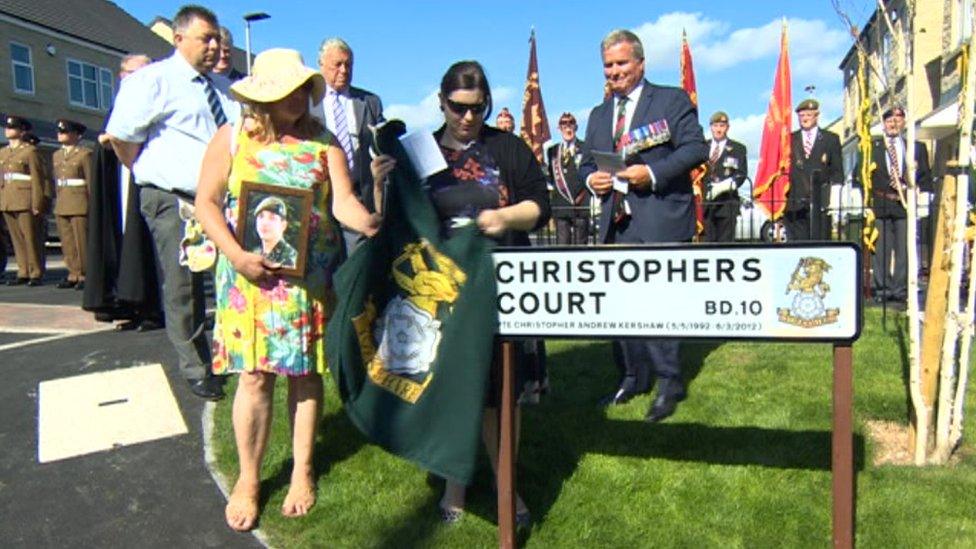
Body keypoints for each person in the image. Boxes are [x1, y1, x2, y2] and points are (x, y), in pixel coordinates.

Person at [195, 47, 381, 532]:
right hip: (247, 279)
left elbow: (342, 203)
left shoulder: (325, 142)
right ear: (265, 95)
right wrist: (237, 256)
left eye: (303, 88)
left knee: (303, 376)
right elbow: (207, 205)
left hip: (306, 284)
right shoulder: (232, 138)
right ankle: (250, 479)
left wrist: (370, 221)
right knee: (254, 378)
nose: (299, 96)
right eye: (289, 89)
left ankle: (302, 470)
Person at [371, 60, 550, 526]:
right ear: (442, 102)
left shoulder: (506, 147)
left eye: (478, 108)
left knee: (499, 392)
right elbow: (394, 223)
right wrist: (378, 183)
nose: (469, 117)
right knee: (451, 390)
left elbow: (540, 205)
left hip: (502, 290)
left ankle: (507, 487)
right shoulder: (420, 152)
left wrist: (504, 218)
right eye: (459, 108)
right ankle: (455, 484)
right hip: (443, 294)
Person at [105, 4, 240, 400]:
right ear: (178, 39)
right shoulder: (152, 81)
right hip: (172, 198)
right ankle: (196, 366)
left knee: (224, 280)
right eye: (206, 38)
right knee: (185, 284)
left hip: (216, 200)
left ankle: (225, 352)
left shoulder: (221, 89)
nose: (215, 45)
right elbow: (122, 138)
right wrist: (154, 174)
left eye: (217, 37)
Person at [578, 29, 708, 423]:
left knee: (661, 304)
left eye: (621, 63)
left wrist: (649, 172)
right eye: (608, 66)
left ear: (640, 63)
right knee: (622, 306)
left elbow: (695, 148)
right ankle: (633, 376)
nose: (614, 72)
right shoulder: (600, 115)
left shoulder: (670, 99)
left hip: (660, 217)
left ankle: (670, 381)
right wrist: (591, 180)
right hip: (616, 223)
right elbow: (586, 163)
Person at [86, 53, 164, 331]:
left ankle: (153, 307)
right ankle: (127, 303)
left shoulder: (155, 103)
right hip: (121, 180)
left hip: (145, 180)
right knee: (123, 240)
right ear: (122, 76)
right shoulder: (118, 105)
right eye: (136, 72)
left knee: (145, 243)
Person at [854, 105, 931, 304]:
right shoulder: (871, 147)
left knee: (904, 248)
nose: (893, 124)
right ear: (883, 123)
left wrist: (922, 200)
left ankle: (900, 288)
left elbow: (925, 177)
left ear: (904, 123)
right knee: (880, 249)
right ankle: (882, 288)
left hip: (904, 204)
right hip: (880, 202)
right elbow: (858, 177)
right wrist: (862, 202)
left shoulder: (916, 147)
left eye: (898, 120)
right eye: (889, 120)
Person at [315, 37, 384, 254]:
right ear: (321, 65)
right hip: (321, 198)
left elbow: (380, 142)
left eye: (348, 65)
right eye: (338, 64)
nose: (344, 70)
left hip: (360, 197)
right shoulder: (308, 103)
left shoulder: (369, 102)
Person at [785, 99, 843, 241]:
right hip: (795, 204)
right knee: (798, 247)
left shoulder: (831, 139)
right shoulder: (789, 139)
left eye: (808, 115)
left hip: (821, 202)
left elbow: (837, 172)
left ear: (816, 116)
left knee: (820, 245)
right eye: (802, 115)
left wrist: (834, 202)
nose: (805, 118)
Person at [0, 115, 47, 286]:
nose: (8, 130)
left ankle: (35, 272)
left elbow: (37, 179)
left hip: (25, 199)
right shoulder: (3, 153)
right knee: (16, 239)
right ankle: (23, 271)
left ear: (22, 132)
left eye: (12, 128)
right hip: (7, 199)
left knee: (30, 237)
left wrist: (37, 202)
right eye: (7, 127)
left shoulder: (30, 151)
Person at [52, 119, 92, 289]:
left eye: (65, 131)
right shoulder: (57, 155)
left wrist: (93, 205)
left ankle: (85, 274)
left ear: (77, 135)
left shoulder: (84, 154)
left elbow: (91, 182)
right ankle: (73, 273)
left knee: (81, 241)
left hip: (79, 202)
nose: (61, 133)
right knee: (67, 242)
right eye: (60, 131)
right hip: (63, 202)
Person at [703, 111, 748, 243]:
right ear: (711, 127)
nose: (718, 129)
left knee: (726, 244)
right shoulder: (702, 147)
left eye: (722, 126)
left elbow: (741, 174)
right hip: (706, 204)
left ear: (727, 127)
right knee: (706, 244)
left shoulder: (738, 148)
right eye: (716, 125)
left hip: (727, 204)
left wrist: (722, 187)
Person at [546, 112, 589, 245]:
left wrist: (583, 195)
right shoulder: (552, 151)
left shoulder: (585, 147)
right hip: (561, 204)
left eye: (571, 124)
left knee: (581, 245)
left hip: (580, 203)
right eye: (564, 124)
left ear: (576, 127)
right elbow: (552, 176)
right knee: (562, 246)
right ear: (559, 128)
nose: (567, 127)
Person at [249, 196, 298, 267]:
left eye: (272, 218)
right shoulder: (255, 253)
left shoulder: (291, 259)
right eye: (261, 216)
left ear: (283, 225)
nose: (264, 222)